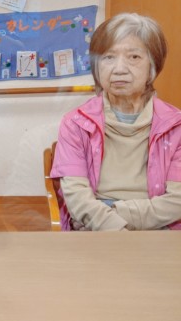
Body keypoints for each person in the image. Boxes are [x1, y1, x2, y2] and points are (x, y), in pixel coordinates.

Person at [51, 13, 181, 231]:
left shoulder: (176, 125)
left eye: (134, 57)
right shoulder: (76, 123)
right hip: (96, 230)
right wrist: (112, 228)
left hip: (156, 227)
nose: (119, 68)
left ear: (152, 67)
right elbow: (77, 197)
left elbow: (177, 201)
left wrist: (114, 217)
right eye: (108, 57)